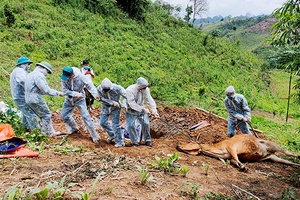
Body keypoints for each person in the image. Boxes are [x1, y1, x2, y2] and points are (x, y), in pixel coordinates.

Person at [60, 66, 101, 144]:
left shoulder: (81, 76)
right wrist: (75, 94)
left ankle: (95, 136)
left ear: (72, 74)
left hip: (80, 99)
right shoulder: (64, 78)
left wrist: (96, 94)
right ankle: (74, 129)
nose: (67, 79)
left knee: (86, 117)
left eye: (69, 77)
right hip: (69, 99)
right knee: (64, 115)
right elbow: (65, 90)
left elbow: (90, 85)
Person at [25, 61, 64, 137]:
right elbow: (46, 90)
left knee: (39, 115)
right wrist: (58, 93)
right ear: (43, 68)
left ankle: (42, 132)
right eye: (47, 71)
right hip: (35, 98)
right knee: (46, 115)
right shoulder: (39, 75)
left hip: (28, 98)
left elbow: (37, 89)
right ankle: (46, 133)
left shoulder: (30, 74)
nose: (46, 73)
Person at [125, 77, 160, 147]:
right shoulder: (129, 90)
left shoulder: (145, 90)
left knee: (146, 123)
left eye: (145, 87)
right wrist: (142, 109)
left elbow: (149, 100)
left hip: (141, 109)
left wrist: (154, 111)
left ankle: (147, 140)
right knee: (131, 126)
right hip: (130, 110)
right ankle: (134, 142)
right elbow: (132, 103)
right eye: (143, 87)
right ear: (139, 86)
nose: (144, 89)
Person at [10, 56, 39, 132]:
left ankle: (25, 128)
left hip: (18, 97)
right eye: (28, 64)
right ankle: (36, 132)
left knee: (25, 113)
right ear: (24, 64)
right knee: (31, 114)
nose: (29, 66)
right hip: (20, 97)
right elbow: (22, 81)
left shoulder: (16, 71)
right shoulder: (20, 71)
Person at [97, 78, 127, 147]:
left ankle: (120, 142)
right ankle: (112, 134)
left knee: (115, 124)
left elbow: (126, 96)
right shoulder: (99, 89)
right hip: (106, 107)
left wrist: (124, 104)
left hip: (116, 108)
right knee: (102, 122)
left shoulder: (117, 88)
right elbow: (99, 98)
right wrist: (111, 102)